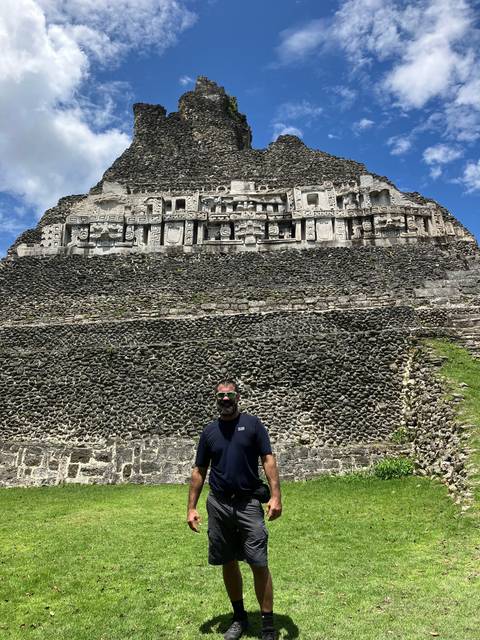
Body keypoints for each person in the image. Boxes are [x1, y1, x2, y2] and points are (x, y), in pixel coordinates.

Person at [187, 380, 282, 640]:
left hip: (248, 503)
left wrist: (275, 496)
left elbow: (268, 460)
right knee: (227, 561)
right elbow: (199, 471)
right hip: (218, 503)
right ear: (216, 399)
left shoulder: (253, 425)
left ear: (237, 397)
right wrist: (191, 507)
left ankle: (268, 626)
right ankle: (239, 617)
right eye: (221, 396)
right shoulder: (209, 432)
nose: (225, 400)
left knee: (258, 562)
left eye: (230, 395)